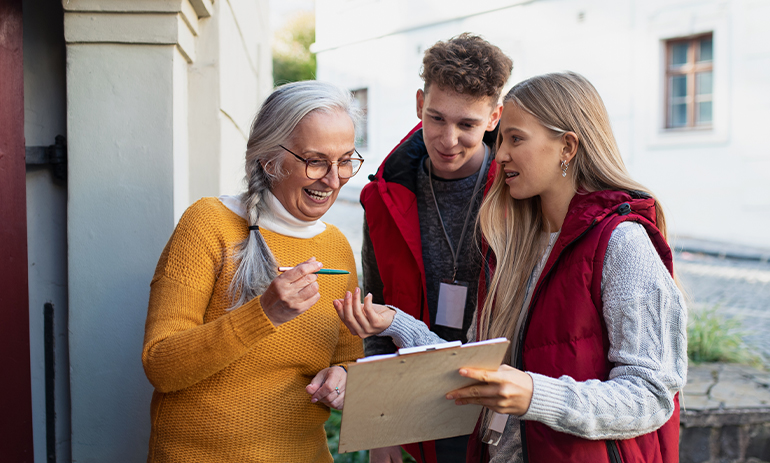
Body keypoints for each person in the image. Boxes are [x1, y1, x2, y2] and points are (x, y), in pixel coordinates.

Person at [337, 72, 687, 463]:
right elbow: (475, 366)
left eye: (515, 139)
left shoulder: (623, 244)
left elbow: (653, 395)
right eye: (501, 138)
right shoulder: (513, 243)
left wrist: (534, 395)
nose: (500, 153)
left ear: (567, 147)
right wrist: (395, 324)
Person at [141, 81, 366, 462]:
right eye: (316, 160)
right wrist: (264, 314)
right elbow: (161, 365)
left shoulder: (337, 247)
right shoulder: (208, 224)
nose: (334, 179)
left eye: (345, 159)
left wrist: (343, 377)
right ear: (268, 160)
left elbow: (348, 358)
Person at [360, 33, 512, 463]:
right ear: (418, 104)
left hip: (504, 404)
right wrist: (381, 424)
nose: (448, 139)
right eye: (436, 118)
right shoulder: (384, 197)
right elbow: (378, 315)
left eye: (467, 124)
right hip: (420, 404)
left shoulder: (520, 191)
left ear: (494, 116)